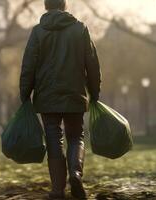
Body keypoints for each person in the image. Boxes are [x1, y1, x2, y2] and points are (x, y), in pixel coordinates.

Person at [19, 0, 102, 199]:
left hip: (47, 96)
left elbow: (29, 65)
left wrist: (25, 93)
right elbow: (91, 63)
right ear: (64, 5)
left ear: (46, 6)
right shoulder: (80, 29)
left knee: (53, 139)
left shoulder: (38, 32)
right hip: (74, 93)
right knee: (76, 137)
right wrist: (94, 91)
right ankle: (75, 174)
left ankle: (57, 190)